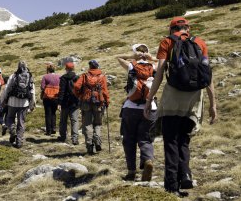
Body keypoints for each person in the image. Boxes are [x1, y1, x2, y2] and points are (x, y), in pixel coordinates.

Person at [144, 17, 217, 197]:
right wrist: (213, 104)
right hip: (193, 101)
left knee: (171, 141)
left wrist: (149, 99)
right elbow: (207, 76)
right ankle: (185, 174)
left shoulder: (167, 42)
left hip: (172, 99)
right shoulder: (200, 43)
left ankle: (171, 186)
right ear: (187, 29)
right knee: (184, 140)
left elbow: (160, 73)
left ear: (171, 29)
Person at [116, 44, 158, 181]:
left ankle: (131, 171)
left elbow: (118, 57)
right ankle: (148, 160)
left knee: (129, 139)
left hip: (130, 108)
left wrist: (131, 57)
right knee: (145, 138)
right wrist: (152, 58)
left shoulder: (131, 66)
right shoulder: (154, 67)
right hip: (150, 107)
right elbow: (166, 61)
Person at [73, 60, 110, 155]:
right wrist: (107, 101)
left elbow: (76, 86)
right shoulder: (102, 76)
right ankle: (97, 140)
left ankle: (89, 144)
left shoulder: (85, 76)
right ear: (97, 66)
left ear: (90, 66)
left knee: (87, 124)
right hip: (98, 102)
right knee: (97, 123)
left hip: (86, 101)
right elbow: (105, 90)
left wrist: (79, 95)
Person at [1, 61, 36, 148]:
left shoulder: (13, 76)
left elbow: (7, 88)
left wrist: (3, 100)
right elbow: (32, 91)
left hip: (12, 102)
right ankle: (19, 142)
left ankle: (12, 130)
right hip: (24, 103)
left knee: (9, 118)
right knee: (21, 122)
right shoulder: (29, 76)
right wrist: (32, 103)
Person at [57, 62, 80, 145]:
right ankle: (75, 138)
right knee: (74, 120)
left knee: (63, 120)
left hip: (65, 103)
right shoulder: (77, 77)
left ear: (66, 69)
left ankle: (63, 136)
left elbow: (61, 91)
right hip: (75, 103)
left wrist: (59, 102)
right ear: (73, 68)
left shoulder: (63, 78)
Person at [40, 63, 60, 136]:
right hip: (56, 97)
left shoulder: (45, 76)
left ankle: (48, 131)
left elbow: (42, 87)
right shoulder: (59, 77)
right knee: (53, 113)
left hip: (47, 97)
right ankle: (54, 128)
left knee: (48, 113)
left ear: (48, 70)